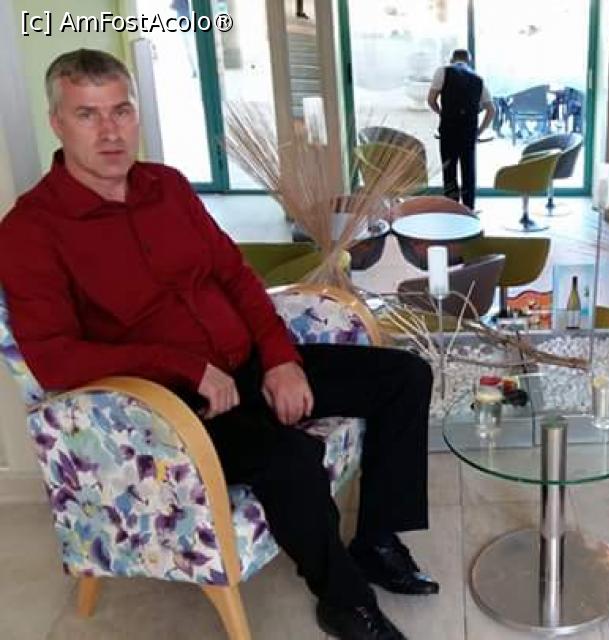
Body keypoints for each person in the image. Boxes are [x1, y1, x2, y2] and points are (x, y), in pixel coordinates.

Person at [0, 49, 438, 640]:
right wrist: (183, 366)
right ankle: (343, 600)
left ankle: (377, 541)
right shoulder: (31, 230)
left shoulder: (168, 187)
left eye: (121, 110)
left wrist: (280, 358)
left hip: (249, 364)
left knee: (404, 376)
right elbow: (54, 359)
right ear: (58, 122)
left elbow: (234, 275)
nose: (110, 131)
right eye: (87, 114)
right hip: (174, 411)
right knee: (290, 459)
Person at [427, 49, 495, 209]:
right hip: (468, 131)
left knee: (449, 170)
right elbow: (491, 110)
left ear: (452, 59)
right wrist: (479, 131)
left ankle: (452, 208)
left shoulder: (443, 72)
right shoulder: (478, 79)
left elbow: (431, 100)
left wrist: (442, 113)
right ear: (469, 61)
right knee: (468, 171)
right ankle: (468, 209)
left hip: (448, 129)